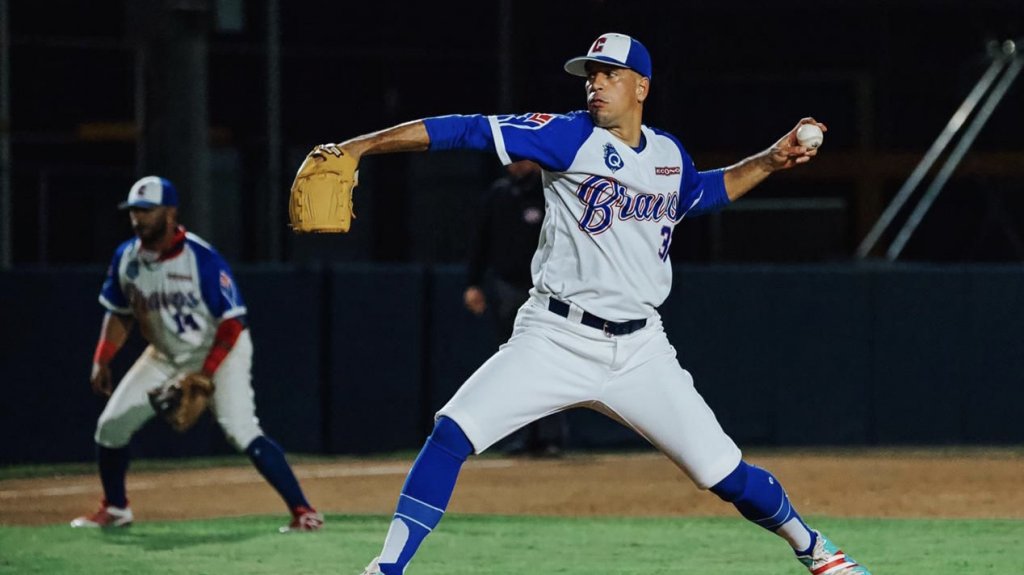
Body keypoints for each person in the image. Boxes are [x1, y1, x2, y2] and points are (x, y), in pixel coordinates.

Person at [320, 32, 869, 575]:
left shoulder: (668, 153)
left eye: (610, 75)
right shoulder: (566, 137)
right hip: (554, 337)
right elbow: (464, 129)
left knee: (723, 473)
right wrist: (361, 146)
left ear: (642, 87)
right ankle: (387, 567)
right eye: (592, 75)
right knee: (451, 434)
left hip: (640, 350)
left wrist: (771, 160)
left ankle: (815, 549)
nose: (597, 85)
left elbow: (701, 194)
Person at [71, 176, 323, 533]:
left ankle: (304, 511)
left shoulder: (201, 259)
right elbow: (119, 312)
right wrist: (102, 358)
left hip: (222, 351)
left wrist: (206, 373)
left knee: (241, 430)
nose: (138, 218)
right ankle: (115, 508)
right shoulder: (126, 258)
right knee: (110, 427)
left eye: (146, 210)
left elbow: (233, 323)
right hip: (165, 355)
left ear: (170, 212)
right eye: (134, 211)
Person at [463, 159, 567, 457]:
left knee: (548, 363)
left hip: (546, 290)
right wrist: (473, 283)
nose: (514, 164)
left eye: (520, 157)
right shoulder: (498, 194)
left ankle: (551, 437)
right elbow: (479, 241)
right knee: (514, 365)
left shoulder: (553, 191)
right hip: (508, 287)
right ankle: (523, 436)